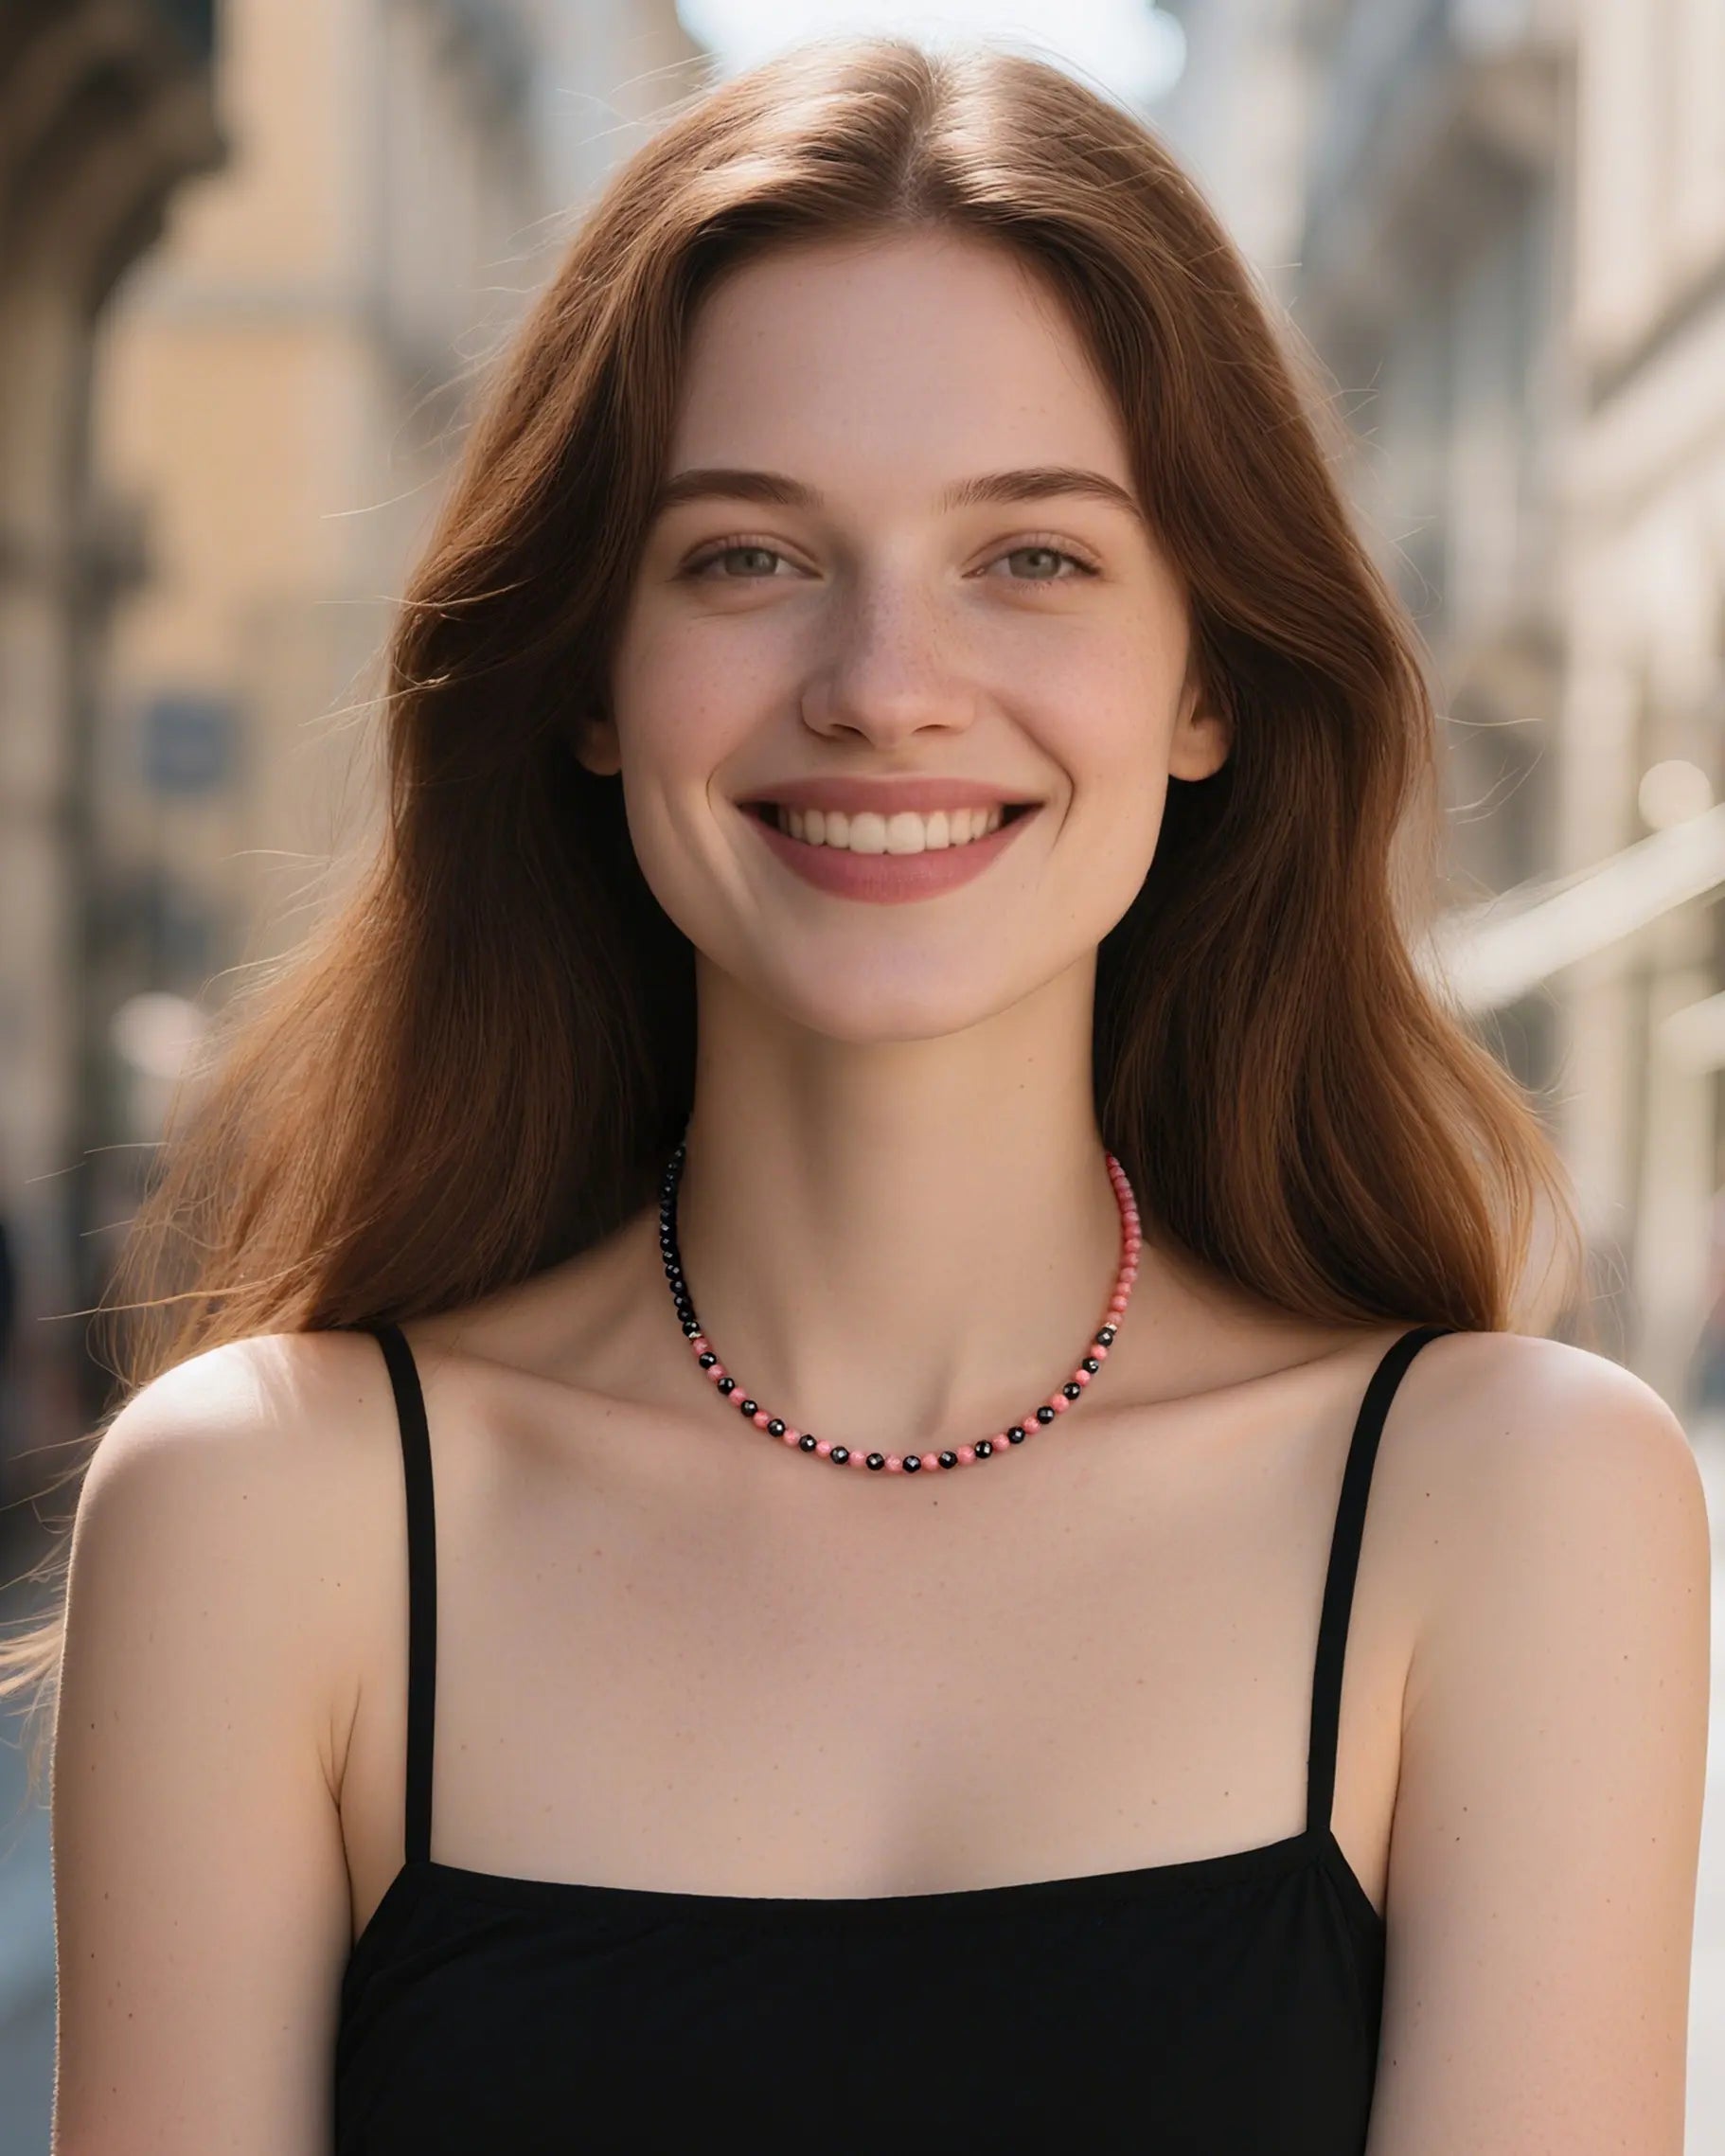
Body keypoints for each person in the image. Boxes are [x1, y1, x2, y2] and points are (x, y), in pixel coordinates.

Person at [28, 33, 1710, 2155]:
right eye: (745, 554)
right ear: (584, 675)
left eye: (1033, 557)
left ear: (1206, 680)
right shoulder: (261, 1512)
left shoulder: (1507, 1502)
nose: (883, 680)